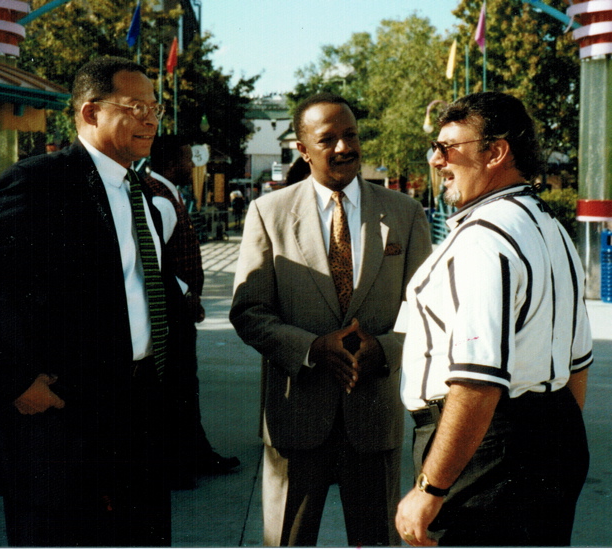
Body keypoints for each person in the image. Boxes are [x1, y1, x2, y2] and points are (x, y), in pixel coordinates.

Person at [0, 56, 195, 547]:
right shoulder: (39, 182)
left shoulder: (138, 190)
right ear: (90, 112)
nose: (150, 118)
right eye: (135, 106)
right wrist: (13, 380)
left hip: (139, 416)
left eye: (155, 107)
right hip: (63, 426)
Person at [230, 92, 432, 546]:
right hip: (296, 418)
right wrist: (312, 348)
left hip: (375, 414)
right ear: (302, 149)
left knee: (376, 540)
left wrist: (383, 349)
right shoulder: (269, 213)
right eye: (328, 139)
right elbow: (249, 311)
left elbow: (427, 315)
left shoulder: (404, 213)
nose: (344, 147)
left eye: (351, 135)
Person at [395, 91, 592, 547]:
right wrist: (540, 438)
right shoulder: (551, 229)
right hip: (551, 435)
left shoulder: (484, 240)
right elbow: (576, 367)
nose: (436, 161)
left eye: (448, 148)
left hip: (483, 455)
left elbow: (477, 381)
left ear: (496, 151)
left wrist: (431, 488)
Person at [145, 135, 239, 485]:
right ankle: (179, 464)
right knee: (179, 385)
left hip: (177, 307)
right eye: (187, 159)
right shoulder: (161, 198)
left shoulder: (164, 192)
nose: (192, 165)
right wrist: (187, 294)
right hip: (171, 311)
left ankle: (195, 455)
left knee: (184, 385)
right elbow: (155, 260)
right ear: (172, 161)